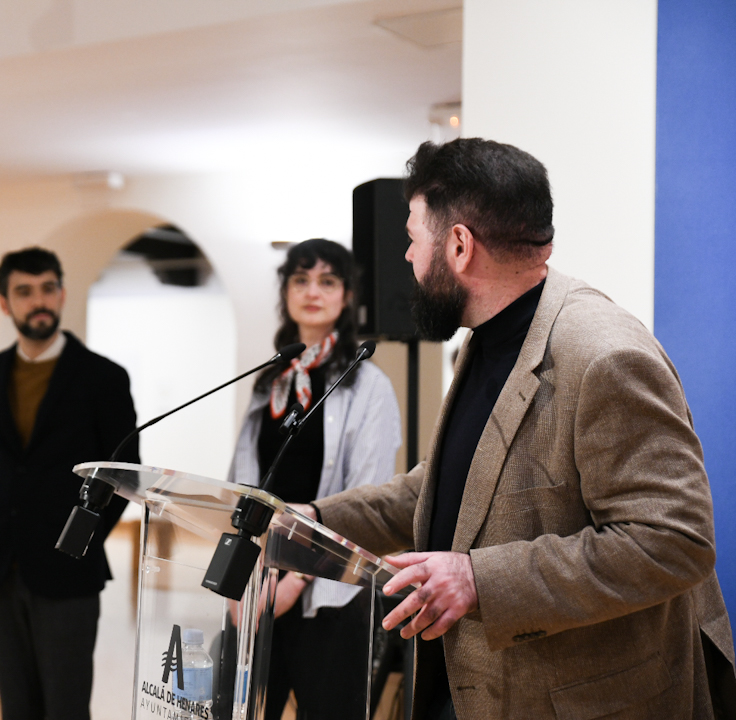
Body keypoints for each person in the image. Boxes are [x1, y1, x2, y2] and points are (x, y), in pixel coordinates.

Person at [299, 138, 736, 719]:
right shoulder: (486, 337)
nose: (407, 256)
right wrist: (311, 520)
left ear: (459, 246)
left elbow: (674, 541)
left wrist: (478, 579)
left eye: (413, 237)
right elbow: (448, 490)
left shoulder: (604, 355)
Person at [227, 238, 401, 719]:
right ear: (285, 292)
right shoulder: (272, 381)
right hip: (258, 580)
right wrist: (241, 577)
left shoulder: (367, 385)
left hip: (327, 591)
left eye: (327, 281)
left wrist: (296, 578)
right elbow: (244, 481)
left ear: (347, 296)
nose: (312, 292)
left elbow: (366, 500)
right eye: (300, 280)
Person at [0, 247, 138, 720]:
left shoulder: (104, 377)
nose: (38, 301)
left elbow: (124, 473)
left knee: (66, 707)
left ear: (62, 295)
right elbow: (1, 466)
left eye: (47, 289)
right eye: (24, 292)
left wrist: (82, 539)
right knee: (16, 707)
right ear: (4, 302)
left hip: (69, 570)